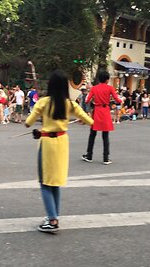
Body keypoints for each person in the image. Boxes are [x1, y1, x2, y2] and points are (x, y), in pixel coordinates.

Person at [25, 70, 93, 233]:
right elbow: (89, 120)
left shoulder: (44, 102)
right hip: (62, 142)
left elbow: (28, 122)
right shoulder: (70, 104)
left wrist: (39, 117)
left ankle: (52, 220)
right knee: (55, 182)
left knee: (45, 182)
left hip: (47, 144)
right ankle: (54, 215)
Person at [82, 70, 122, 165]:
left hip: (97, 111)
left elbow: (87, 100)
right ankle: (106, 158)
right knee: (105, 136)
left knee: (92, 134)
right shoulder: (110, 88)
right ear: (107, 80)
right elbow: (117, 100)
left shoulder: (94, 88)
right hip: (105, 112)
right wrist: (121, 100)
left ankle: (89, 155)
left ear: (99, 79)